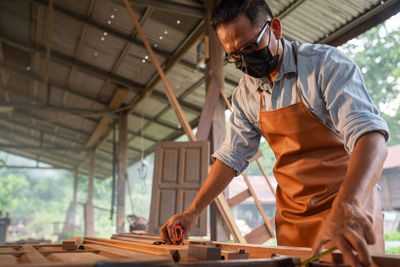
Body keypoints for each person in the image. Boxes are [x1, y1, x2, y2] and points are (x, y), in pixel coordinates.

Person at [160, 1, 389, 266]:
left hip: (349, 211)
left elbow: (371, 138)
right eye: (234, 55)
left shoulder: (325, 65)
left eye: (249, 47)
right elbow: (231, 157)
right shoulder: (245, 95)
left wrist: (349, 205)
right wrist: (192, 212)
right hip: (294, 221)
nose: (244, 60)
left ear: (275, 28)